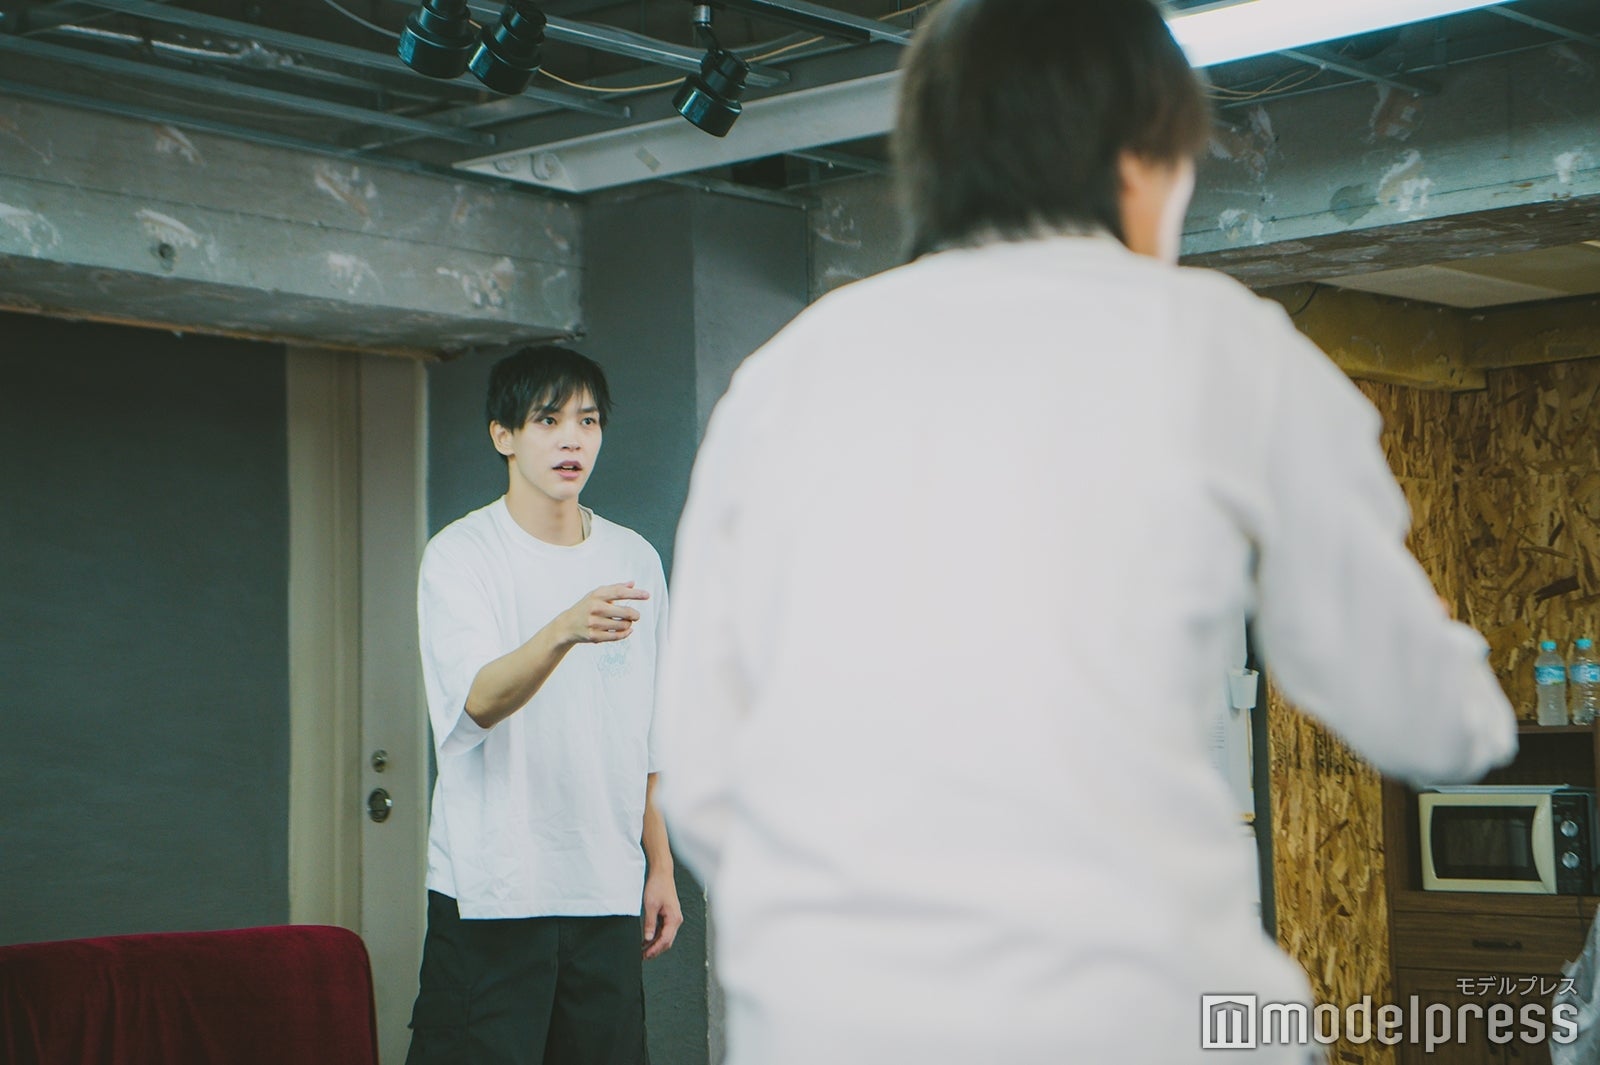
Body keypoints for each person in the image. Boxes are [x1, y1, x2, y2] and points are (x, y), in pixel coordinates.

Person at [653, 2, 1517, 1063]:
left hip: (827, 1027)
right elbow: (1430, 724)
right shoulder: (1219, 343)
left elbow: (701, 767)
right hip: (1143, 1015)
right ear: (1143, 154)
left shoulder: (782, 379)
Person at [406, 345, 681, 1065]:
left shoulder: (635, 559)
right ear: (503, 435)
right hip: (494, 889)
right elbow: (476, 700)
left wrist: (658, 865)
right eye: (548, 420)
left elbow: (646, 736)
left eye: (588, 421)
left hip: (605, 887)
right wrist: (563, 628)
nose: (572, 440)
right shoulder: (462, 554)